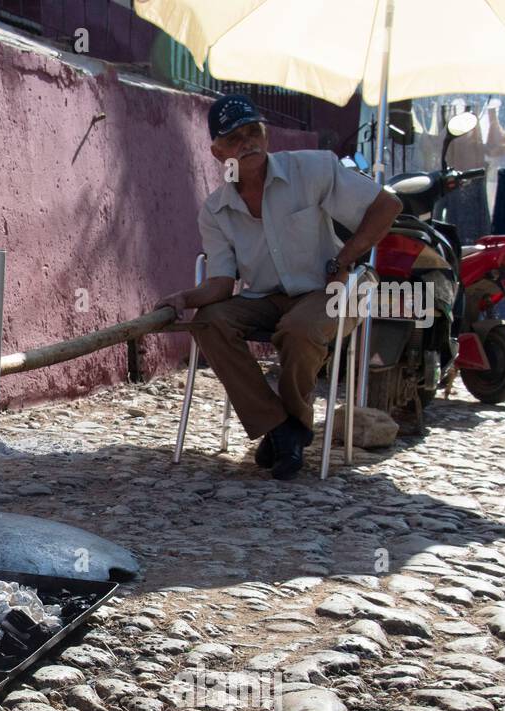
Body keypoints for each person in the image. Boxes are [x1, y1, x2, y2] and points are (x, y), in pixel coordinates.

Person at [155, 94, 402, 479]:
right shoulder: (216, 210)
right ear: (218, 152)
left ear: (267, 136)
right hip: (268, 296)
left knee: (299, 329)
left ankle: (290, 429)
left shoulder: (313, 168)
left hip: (335, 289)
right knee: (208, 321)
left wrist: (347, 258)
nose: (248, 142)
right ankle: (281, 427)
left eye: (254, 131)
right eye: (235, 138)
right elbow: (221, 283)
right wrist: (184, 299)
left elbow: (387, 206)